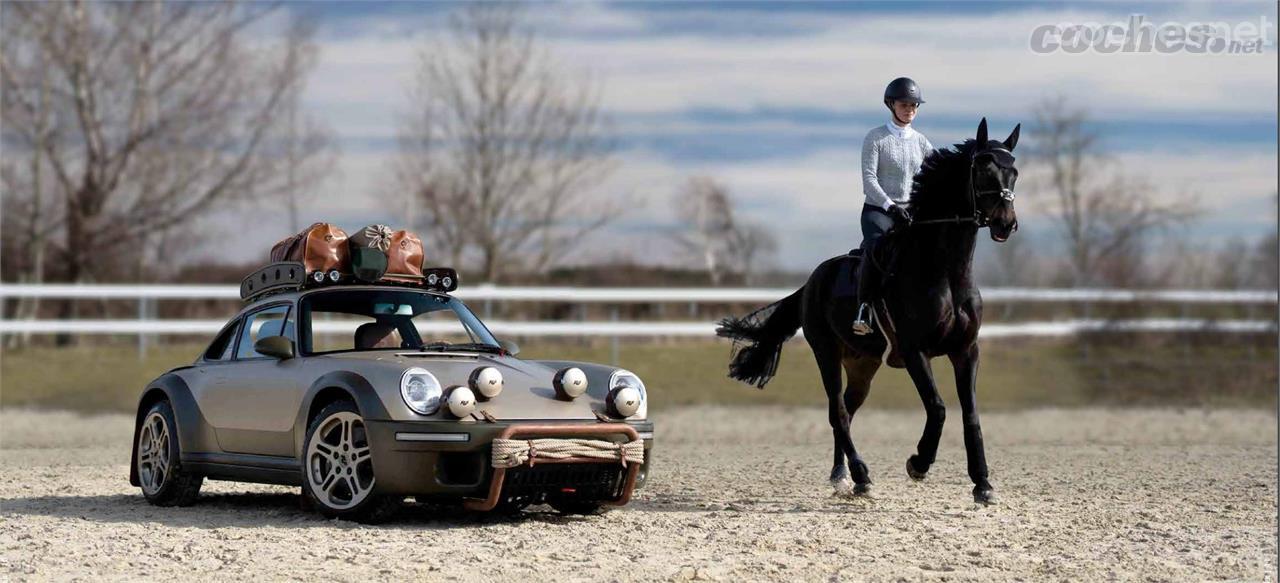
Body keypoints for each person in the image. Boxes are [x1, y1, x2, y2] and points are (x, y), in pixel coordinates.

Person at [852, 77, 933, 335]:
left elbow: (937, 172)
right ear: (891, 104)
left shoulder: (921, 142)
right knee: (879, 251)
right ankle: (864, 309)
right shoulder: (875, 138)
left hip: (910, 213)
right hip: (878, 211)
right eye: (904, 104)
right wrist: (890, 206)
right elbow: (869, 180)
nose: (909, 109)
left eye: (914, 105)